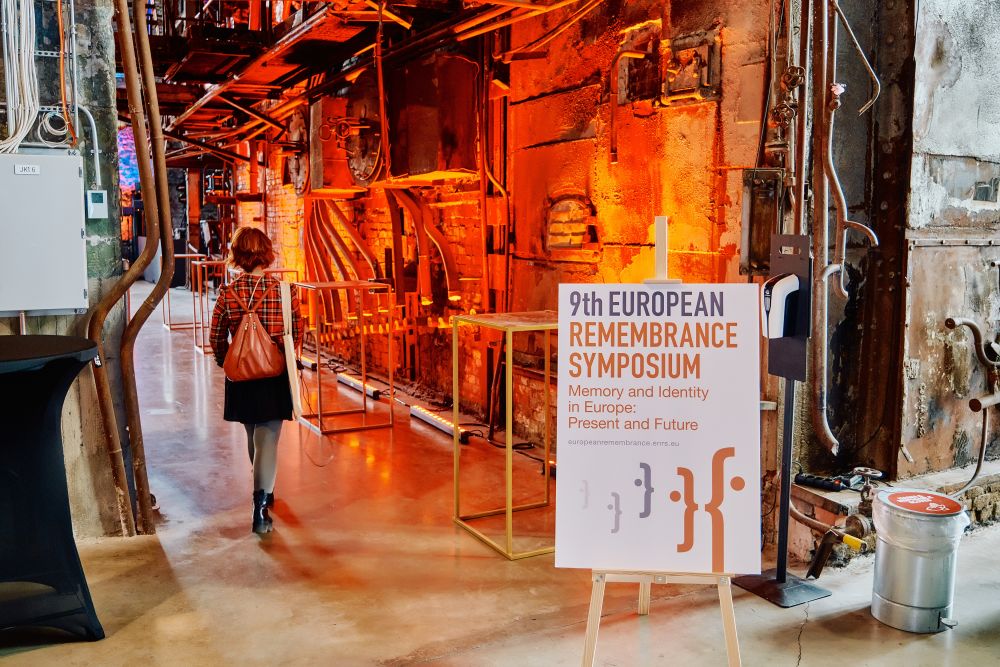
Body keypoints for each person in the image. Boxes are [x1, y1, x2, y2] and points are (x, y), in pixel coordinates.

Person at [210, 227, 301, 534]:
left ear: (237, 255)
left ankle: (265, 488)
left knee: (254, 437)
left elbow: (216, 337)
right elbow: (296, 335)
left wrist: (228, 362)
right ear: (266, 252)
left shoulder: (227, 293)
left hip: (242, 375)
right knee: (268, 440)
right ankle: (260, 507)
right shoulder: (283, 291)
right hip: (272, 376)